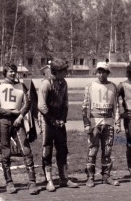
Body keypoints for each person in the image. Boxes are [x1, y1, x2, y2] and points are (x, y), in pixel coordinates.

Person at [0, 63, 39, 195]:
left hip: (18, 121)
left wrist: (21, 116)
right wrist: (8, 113)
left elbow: (28, 103)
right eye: (10, 71)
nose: (13, 74)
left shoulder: (21, 86)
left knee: (26, 150)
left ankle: (32, 182)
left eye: (14, 71)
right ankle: (9, 182)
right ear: (5, 73)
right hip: (4, 121)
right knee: (5, 152)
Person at [38, 58, 78, 192]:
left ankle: (63, 179)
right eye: (64, 70)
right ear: (57, 71)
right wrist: (52, 120)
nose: (66, 72)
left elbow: (65, 102)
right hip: (47, 121)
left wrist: (62, 119)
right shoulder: (46, 83)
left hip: (59, 122)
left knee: (62, 149)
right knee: (47, 149)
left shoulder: (64, 83)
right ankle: (49, 180)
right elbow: (41, 106)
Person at [82, 62, 121, 188]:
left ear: (107, 73)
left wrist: (117, 122)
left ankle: (106, 176)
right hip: (95, 123)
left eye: (103, 71)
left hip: (108, 123)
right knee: (92, 150)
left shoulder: (113, 87)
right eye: (99, 72)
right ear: (96, 72)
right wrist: (87, 124)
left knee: (107, 150)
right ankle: (90, 177)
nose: (101, 74)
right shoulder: (90, 86)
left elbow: (116, 106)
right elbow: (84, 107)